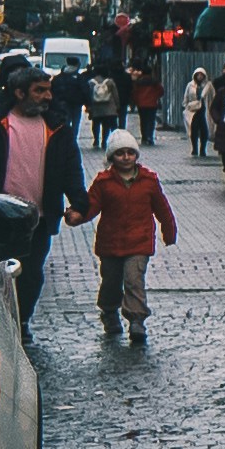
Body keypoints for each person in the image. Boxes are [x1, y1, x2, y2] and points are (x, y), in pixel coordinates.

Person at [0, 64, 89, 323]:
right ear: (19, 92)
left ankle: (22, 322)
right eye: (39, 91)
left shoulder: (57, 128)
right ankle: (1, 325)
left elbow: (71, 168)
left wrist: (79, 203)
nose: (48, 96)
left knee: (31, 274)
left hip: (37, 218)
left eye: (48, 90)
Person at [67, 130, 176, 342]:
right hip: (111, 243)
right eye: (120, 153)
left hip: (139, 242)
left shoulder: (149, 180)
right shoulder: (104, 182)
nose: (126, 157)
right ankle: (109, 311)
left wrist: (169, 230)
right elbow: (92, 207)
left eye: (130, 153)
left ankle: (136, 320)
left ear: (136, 155)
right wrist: (77, 216)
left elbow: (162, 208)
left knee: (134, 280)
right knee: (111, 282)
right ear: (111, 157)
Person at [83, 61, 124, 149]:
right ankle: (104, 141)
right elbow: (115, 94)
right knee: (106, 125)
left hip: (96, 107)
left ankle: (96, 140)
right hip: (109, 107)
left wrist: (88, 106)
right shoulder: (110, 82)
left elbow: (88, 95)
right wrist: (117, 105)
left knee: (96, 124)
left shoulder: (91, 82)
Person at [182, 68, 213, 158]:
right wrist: (186, 106)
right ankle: (194, 148)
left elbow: (212, 96)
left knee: (204, 130)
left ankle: (203, 149)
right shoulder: (190, 85)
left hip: (204, 110)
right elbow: (186, 97)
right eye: (198, 75)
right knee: (193, 130)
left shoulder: (208, 85)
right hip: (193, 111)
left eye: (201, 75)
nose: (199, 76)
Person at [131, 66, 163, 147]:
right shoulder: (154, 81)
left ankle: (144, 137)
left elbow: (135, 92)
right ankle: (150, 136)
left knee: (143, 121)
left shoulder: (139, 82)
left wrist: (136, 101)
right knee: (151, 121)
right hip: (152, 104)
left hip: (141, 104)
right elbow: (161, 91)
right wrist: (155, 97)